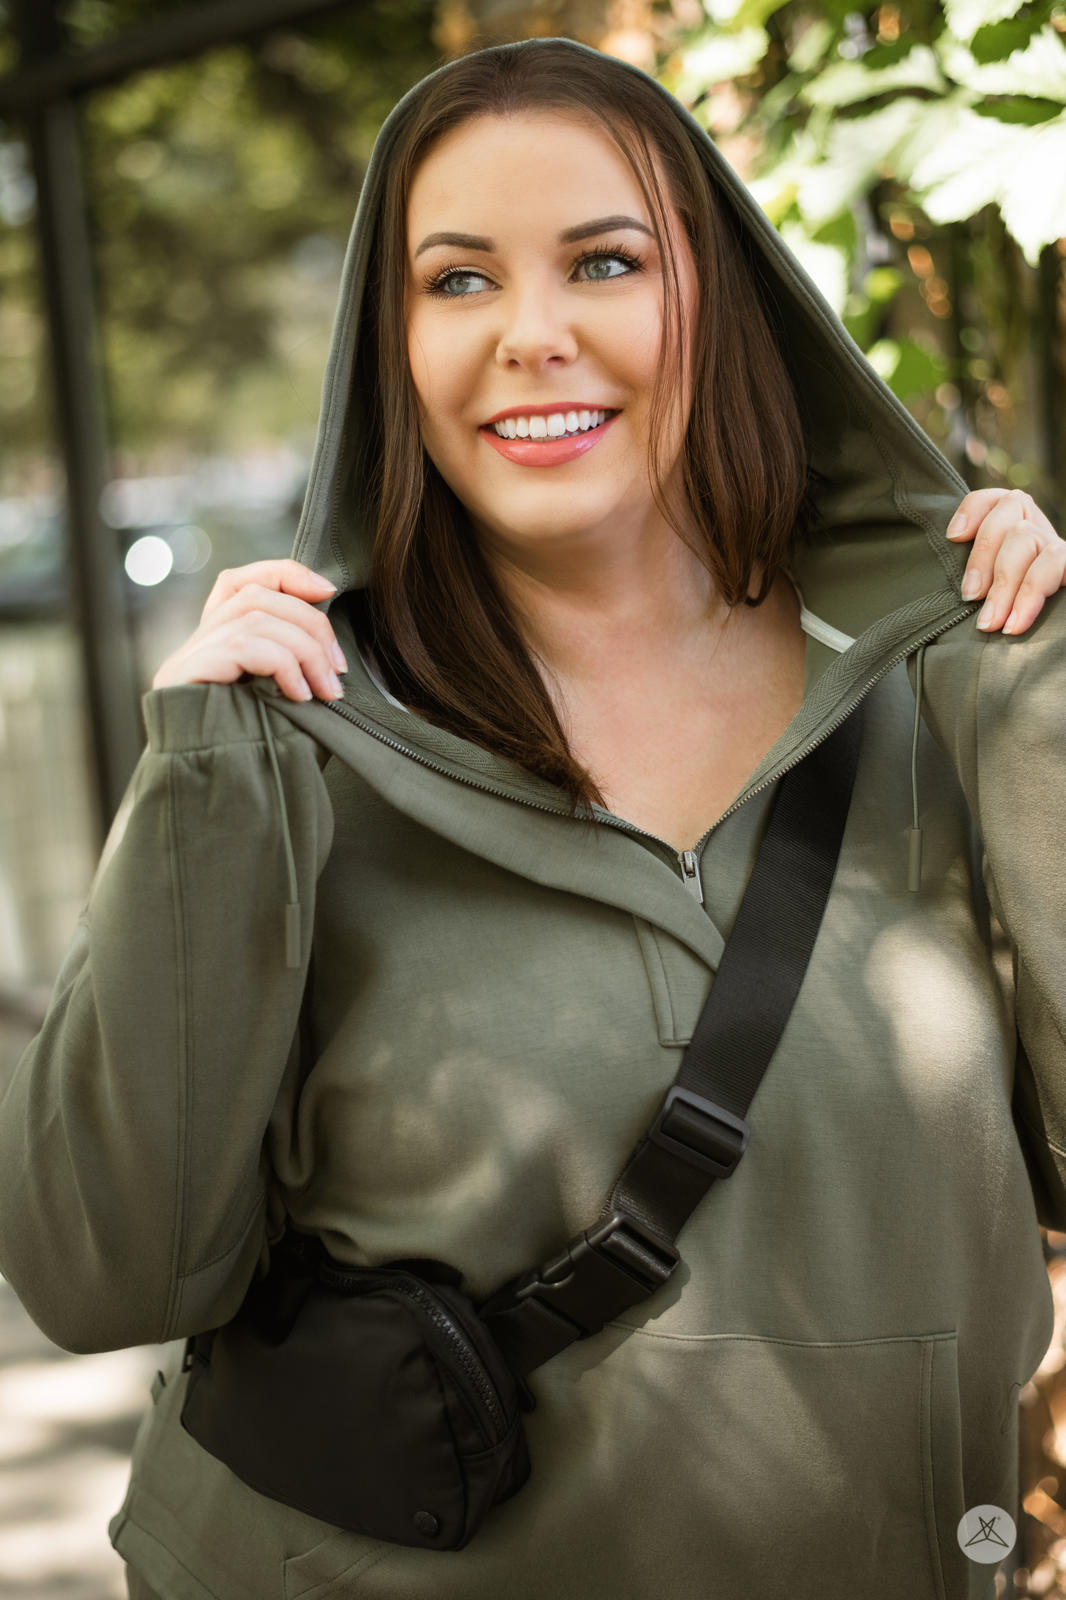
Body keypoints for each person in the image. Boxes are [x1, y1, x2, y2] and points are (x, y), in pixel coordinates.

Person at [1, 35, 1064, 1600]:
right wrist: (201, 791)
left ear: (716, 299)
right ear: (393, 342)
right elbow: (101, 1272)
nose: (532, 335)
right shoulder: (298, 744)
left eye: (603, 262)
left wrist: (1023, 690)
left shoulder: (933, 690)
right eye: (459, 281)